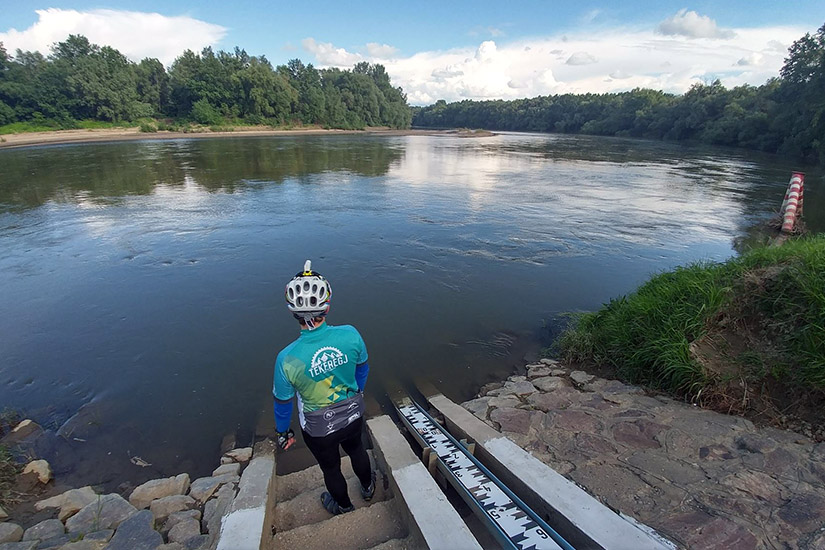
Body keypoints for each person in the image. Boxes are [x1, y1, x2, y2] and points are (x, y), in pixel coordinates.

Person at [272, 260, 375, 515]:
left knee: (331, 469)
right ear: (327, 306)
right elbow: (362, 369)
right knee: (357, 450)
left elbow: (282, 403)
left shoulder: (287, 358)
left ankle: (344, 507)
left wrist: (284, 433)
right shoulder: (351, 334)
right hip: (352, 413)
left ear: (292, 311)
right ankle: (368, 488)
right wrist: (358, 392)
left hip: (319, 428)